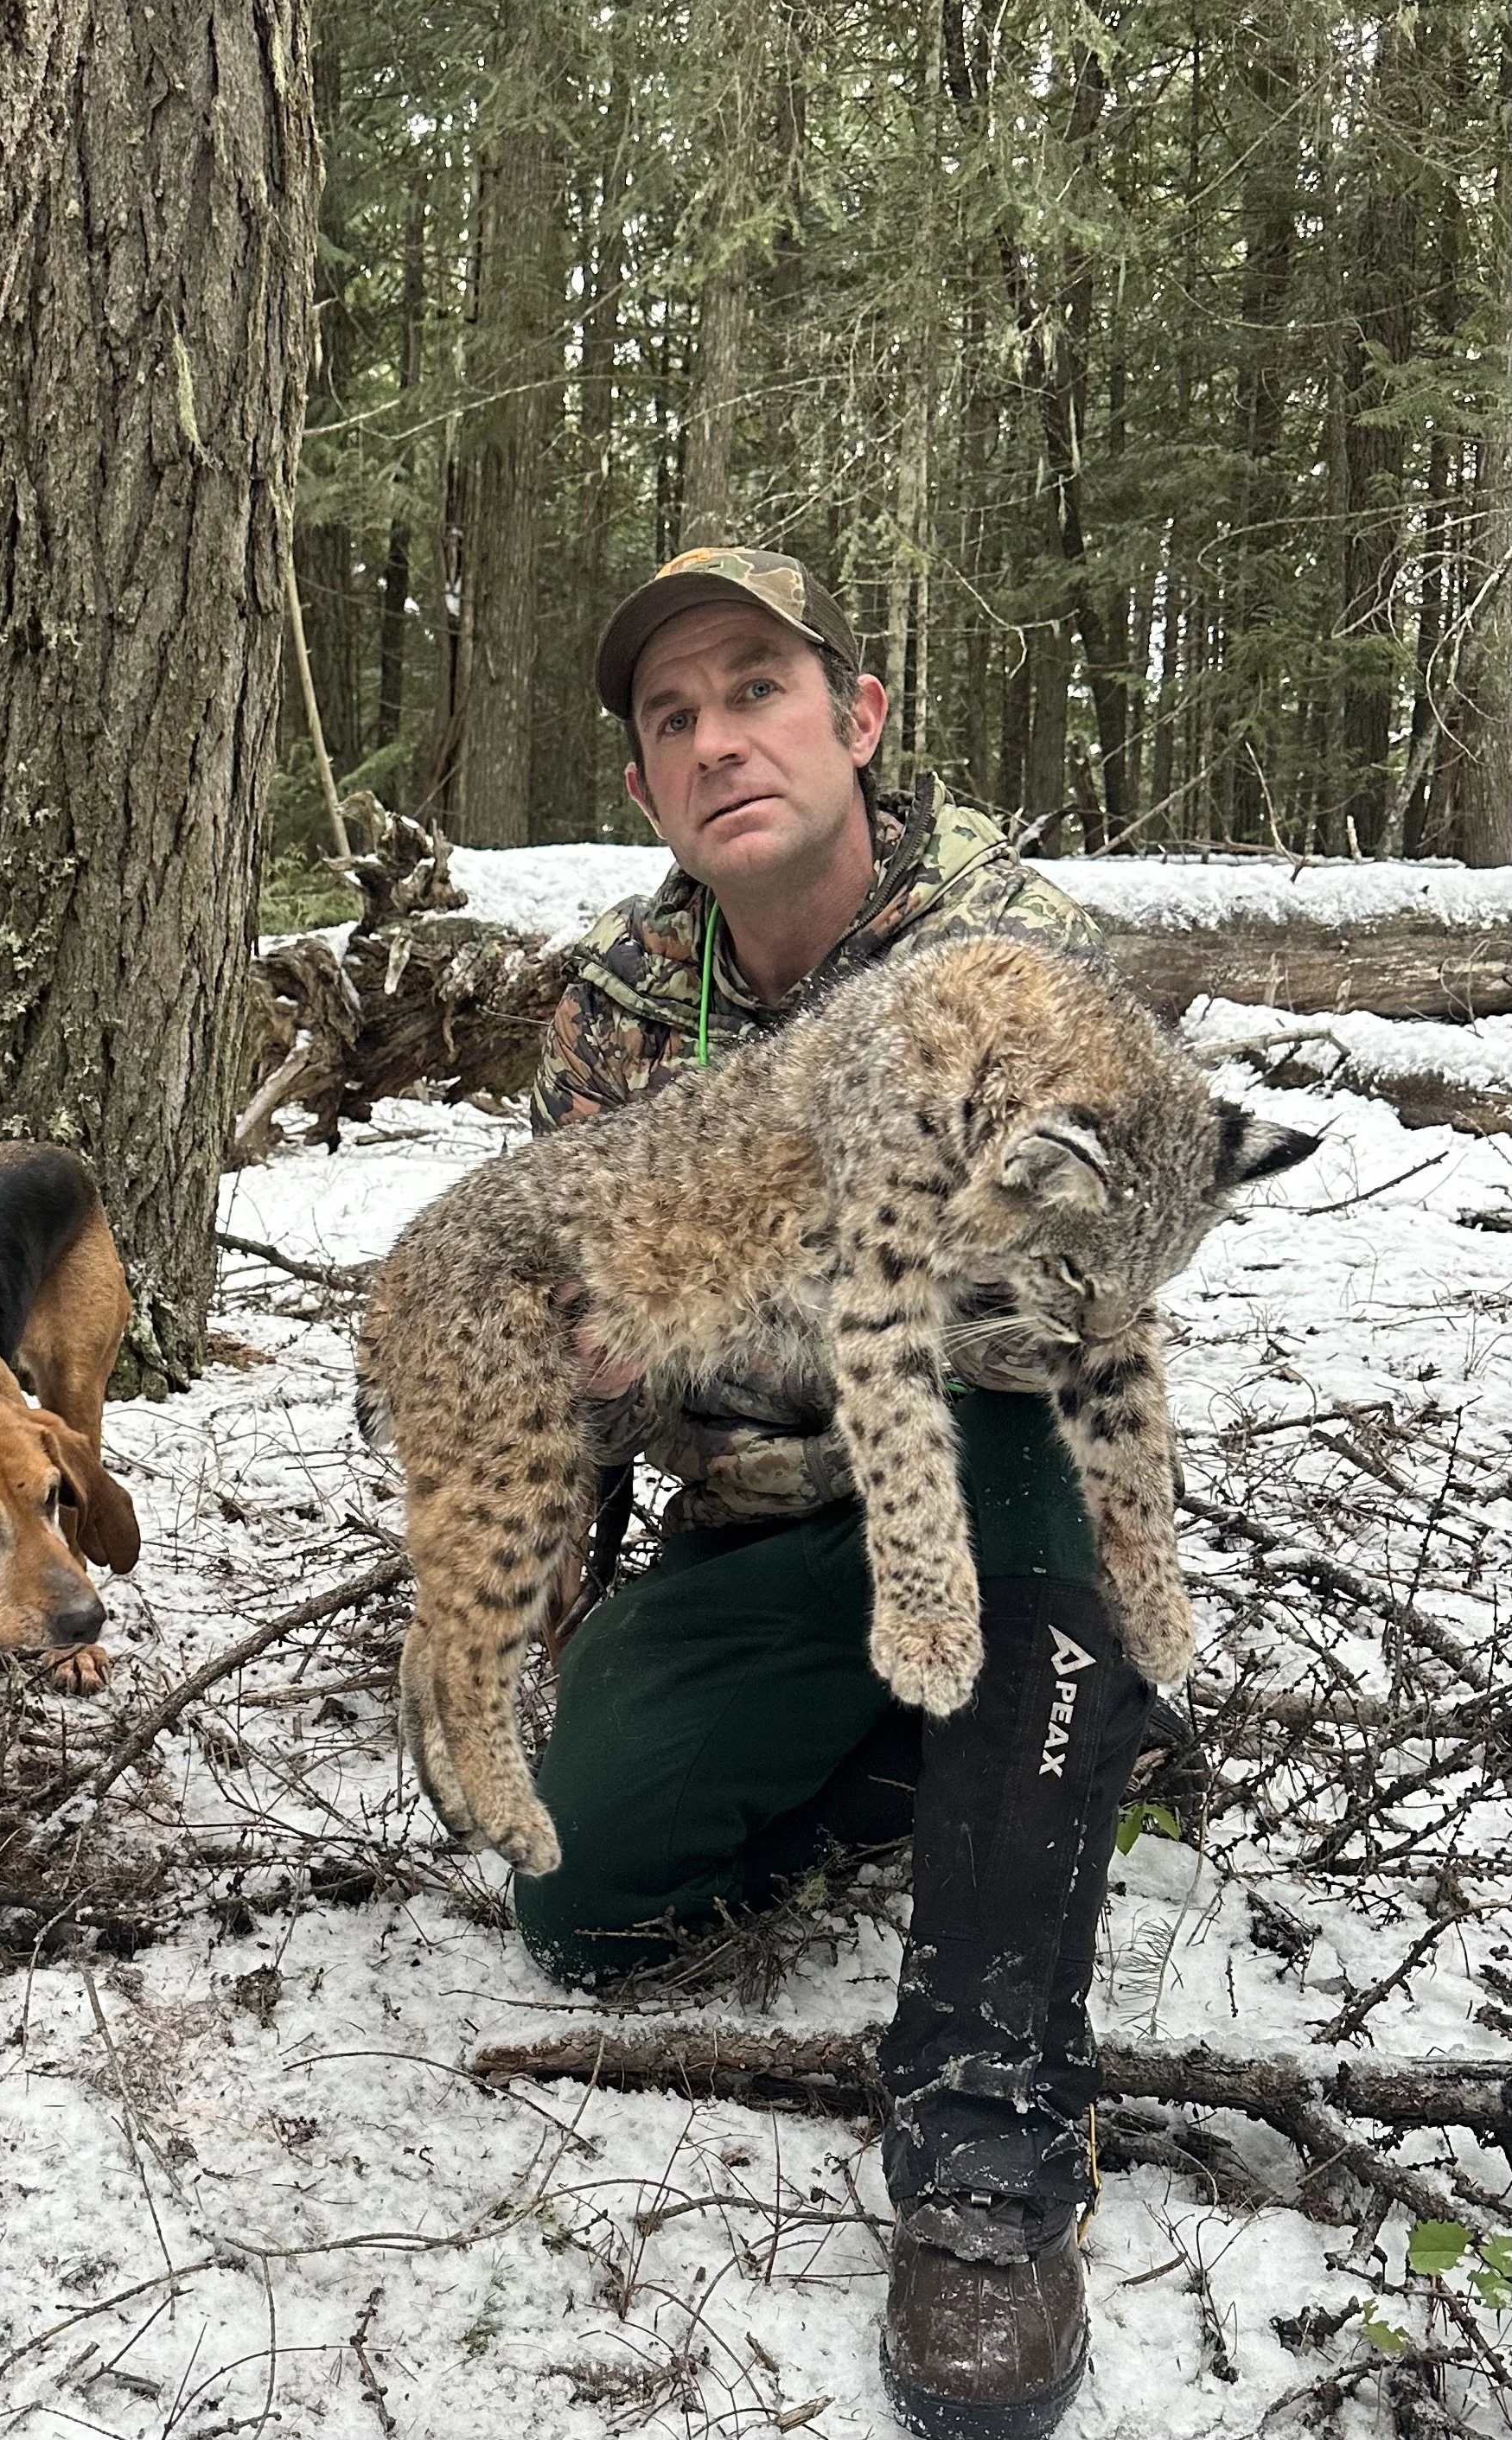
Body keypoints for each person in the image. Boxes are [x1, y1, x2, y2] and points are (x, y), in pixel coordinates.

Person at [515, 546, 1159, 2440]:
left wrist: (696, 1316)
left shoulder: (1011, 957)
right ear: (643, 786)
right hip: (775, 1525)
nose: (719, 741)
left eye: (756, 690)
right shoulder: (612, 1014)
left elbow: (1045, 1295)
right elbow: (571, 1335)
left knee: (1015, 1412)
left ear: (855, 722)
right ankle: (1029, 1734)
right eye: (672, 718)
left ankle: (982, 2135)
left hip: (992, 1470)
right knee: (586, 1903)